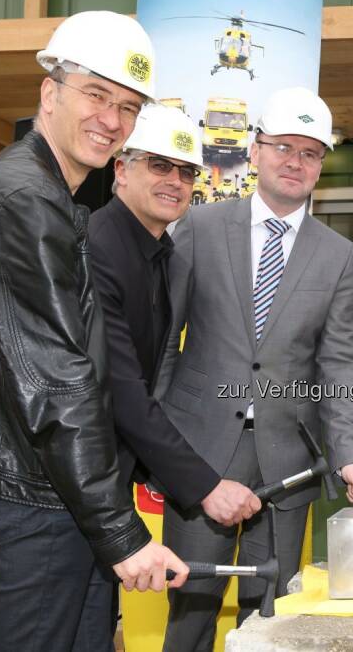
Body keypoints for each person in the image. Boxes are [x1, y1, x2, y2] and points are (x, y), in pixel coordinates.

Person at [0, 11, 188, 652]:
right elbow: (57, 381)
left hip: (50, 491)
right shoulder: (27, 201)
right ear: (49, 91)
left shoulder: (56, 195)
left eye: (128, 106)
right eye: (95, 94)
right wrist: (119, 529)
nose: (111, 121)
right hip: (42, 496)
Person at [156, 87, 353, 651]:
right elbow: (161, 342)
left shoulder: (338, 255)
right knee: (191, 604)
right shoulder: (199, 228)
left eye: (310, 152)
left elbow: (338, 367)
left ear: (321, 165)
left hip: (286, 460)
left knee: (269, 613)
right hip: (201, 449)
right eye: (283, 146)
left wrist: (349, 455)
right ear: (255, 151)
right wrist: (154, 441)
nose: (295, 161)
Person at [90, 105, 261, 529]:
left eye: (187, 172)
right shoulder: (96, 249)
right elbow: (122, 390)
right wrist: (204, 485)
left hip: (104, 477)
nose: (175, 181)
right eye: (160, 165)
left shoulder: (160, 256)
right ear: (122, 170)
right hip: (68, 481)